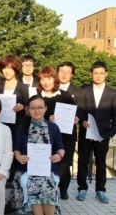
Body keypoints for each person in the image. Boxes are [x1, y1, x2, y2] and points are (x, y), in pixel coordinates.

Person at [14, 95, 65, 215]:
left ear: (46, 108)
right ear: (28, 109)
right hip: (27, 170)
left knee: (48, 185)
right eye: (33, 108)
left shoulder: (53, 127)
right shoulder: (23, 127)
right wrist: (19, 157)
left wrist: (59, 155)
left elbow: (61, 148)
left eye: (40, 107)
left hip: (48, 171)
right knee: (33, 185)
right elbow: (16, 149)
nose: (36, 111)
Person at [36, 66, 79, 202]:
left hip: (66, 138)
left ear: (54, 79)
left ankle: (62, 190)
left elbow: (77, 111)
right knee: (48, 167)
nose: (46, 82)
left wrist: (76, 118)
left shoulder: (65, 95)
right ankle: (50, 196)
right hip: (44, 139)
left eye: (48, 78)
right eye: (43, 79)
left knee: (63, 166)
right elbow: (30, 117)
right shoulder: (36, 98)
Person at [76, 61, 116, 203]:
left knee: (101, 162)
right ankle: (82, 188)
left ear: (106, 74)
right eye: (95, 73)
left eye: (101, 73)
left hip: (103, 134)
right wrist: (82, 121)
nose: (98, 76)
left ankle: (100, 190)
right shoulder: (84, 91)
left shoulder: (112, 93)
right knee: (83, 161)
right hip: (86, 133)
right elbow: (79, 111)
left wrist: (110, 133)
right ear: (91, 74)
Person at [0, 55, 29, 182]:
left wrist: (23, 106)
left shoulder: (23, 87)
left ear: (15, 69)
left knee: (14, 152)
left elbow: (28, 107)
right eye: (4, 68)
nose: (6, 71)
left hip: (17, 126)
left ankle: (13, 182)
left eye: (10, 68)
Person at [57, 61, 86, 200]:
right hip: (54, 131)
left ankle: (63, 190)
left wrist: (77, 117)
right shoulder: (52, 88)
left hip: (69, 133)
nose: (64, 74)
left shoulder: (78, 91)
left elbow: (80, 109)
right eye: (61, 71)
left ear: (72, 74)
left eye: (67, 71)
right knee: (53, 160)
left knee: (66, 162)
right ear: (57, 73)